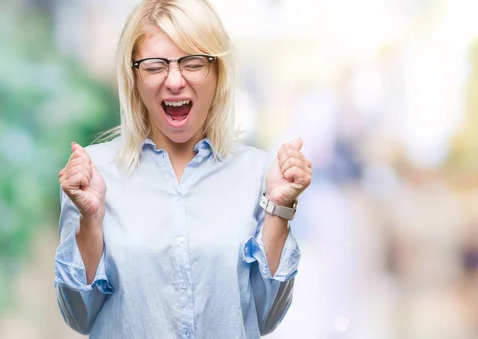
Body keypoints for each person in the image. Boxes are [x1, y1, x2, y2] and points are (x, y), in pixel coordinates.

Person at [53, 1, 312, 338]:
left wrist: (280, 209)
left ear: (217, 72)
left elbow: (266, 317)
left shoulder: (258, 173)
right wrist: (90, 220)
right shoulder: (94, 172)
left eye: (192, 62)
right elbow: (78, 316)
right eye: (154, 65)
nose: (174, 81)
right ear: (134, 76)